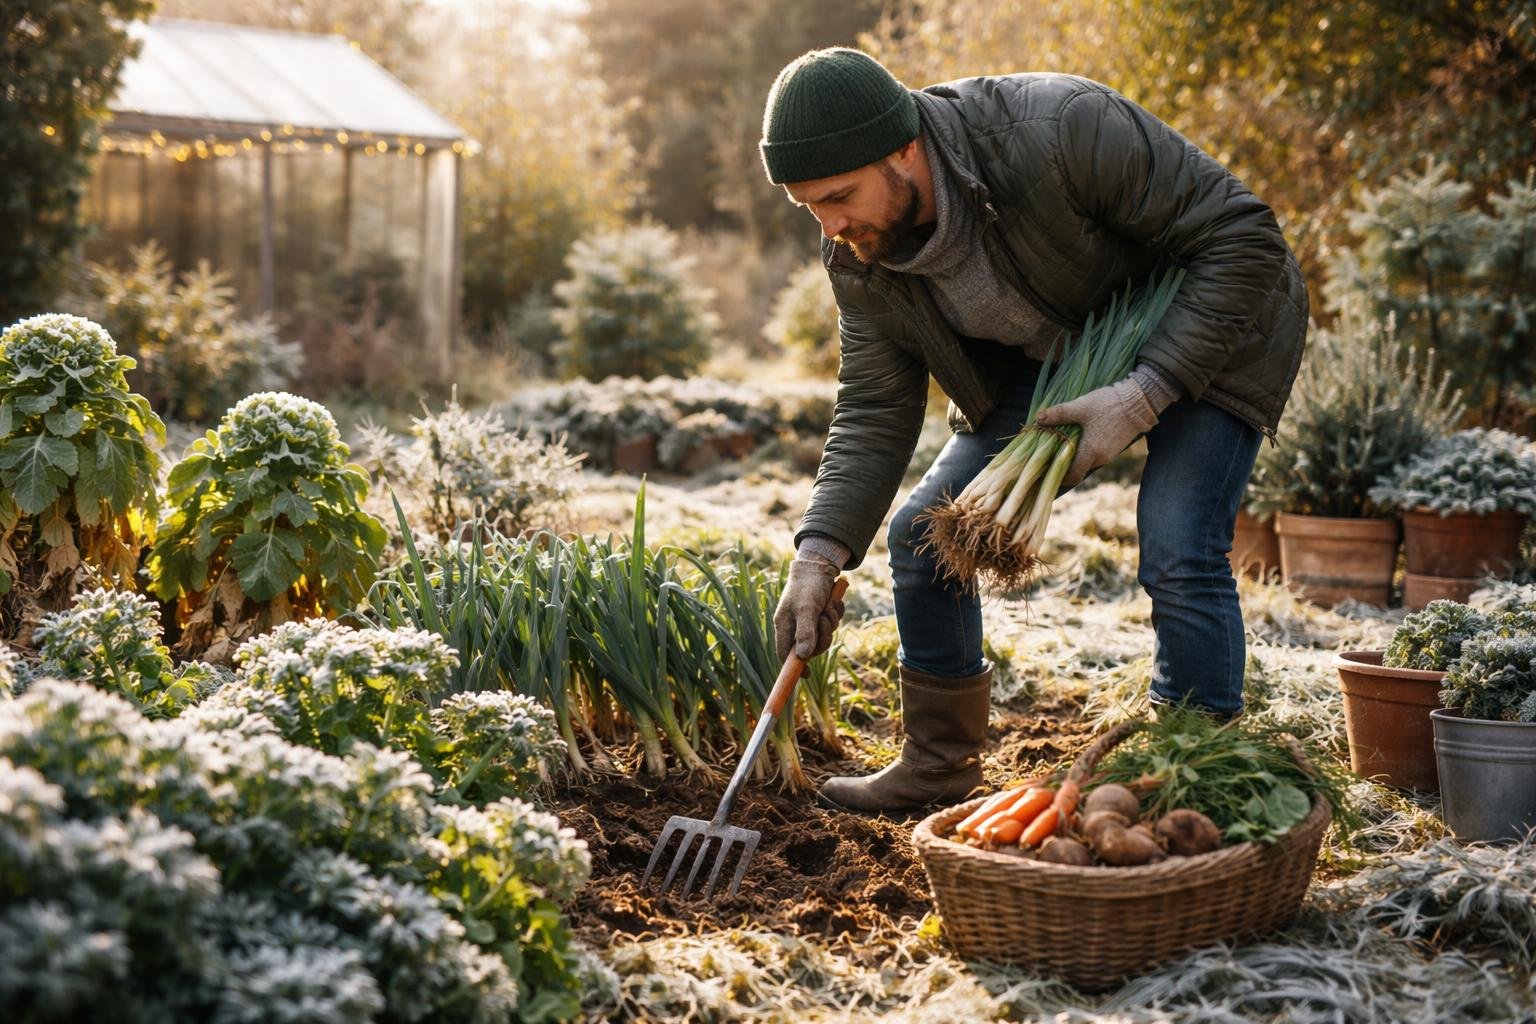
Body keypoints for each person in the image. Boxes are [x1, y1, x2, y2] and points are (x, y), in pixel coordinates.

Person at [763, 48, 1308, 814]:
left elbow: (1244, 235)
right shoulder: (860, 254)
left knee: (1179, 544)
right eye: (808, 206)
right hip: (1063, 352)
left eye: (840, 196)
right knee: (925, 532)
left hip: (1219, 323)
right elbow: (873, 408)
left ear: (905, 148)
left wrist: (1144, 393)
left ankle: (1193, 778)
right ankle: (939, 763)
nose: (831, 224)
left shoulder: (1056, 130)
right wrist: (817, 552)